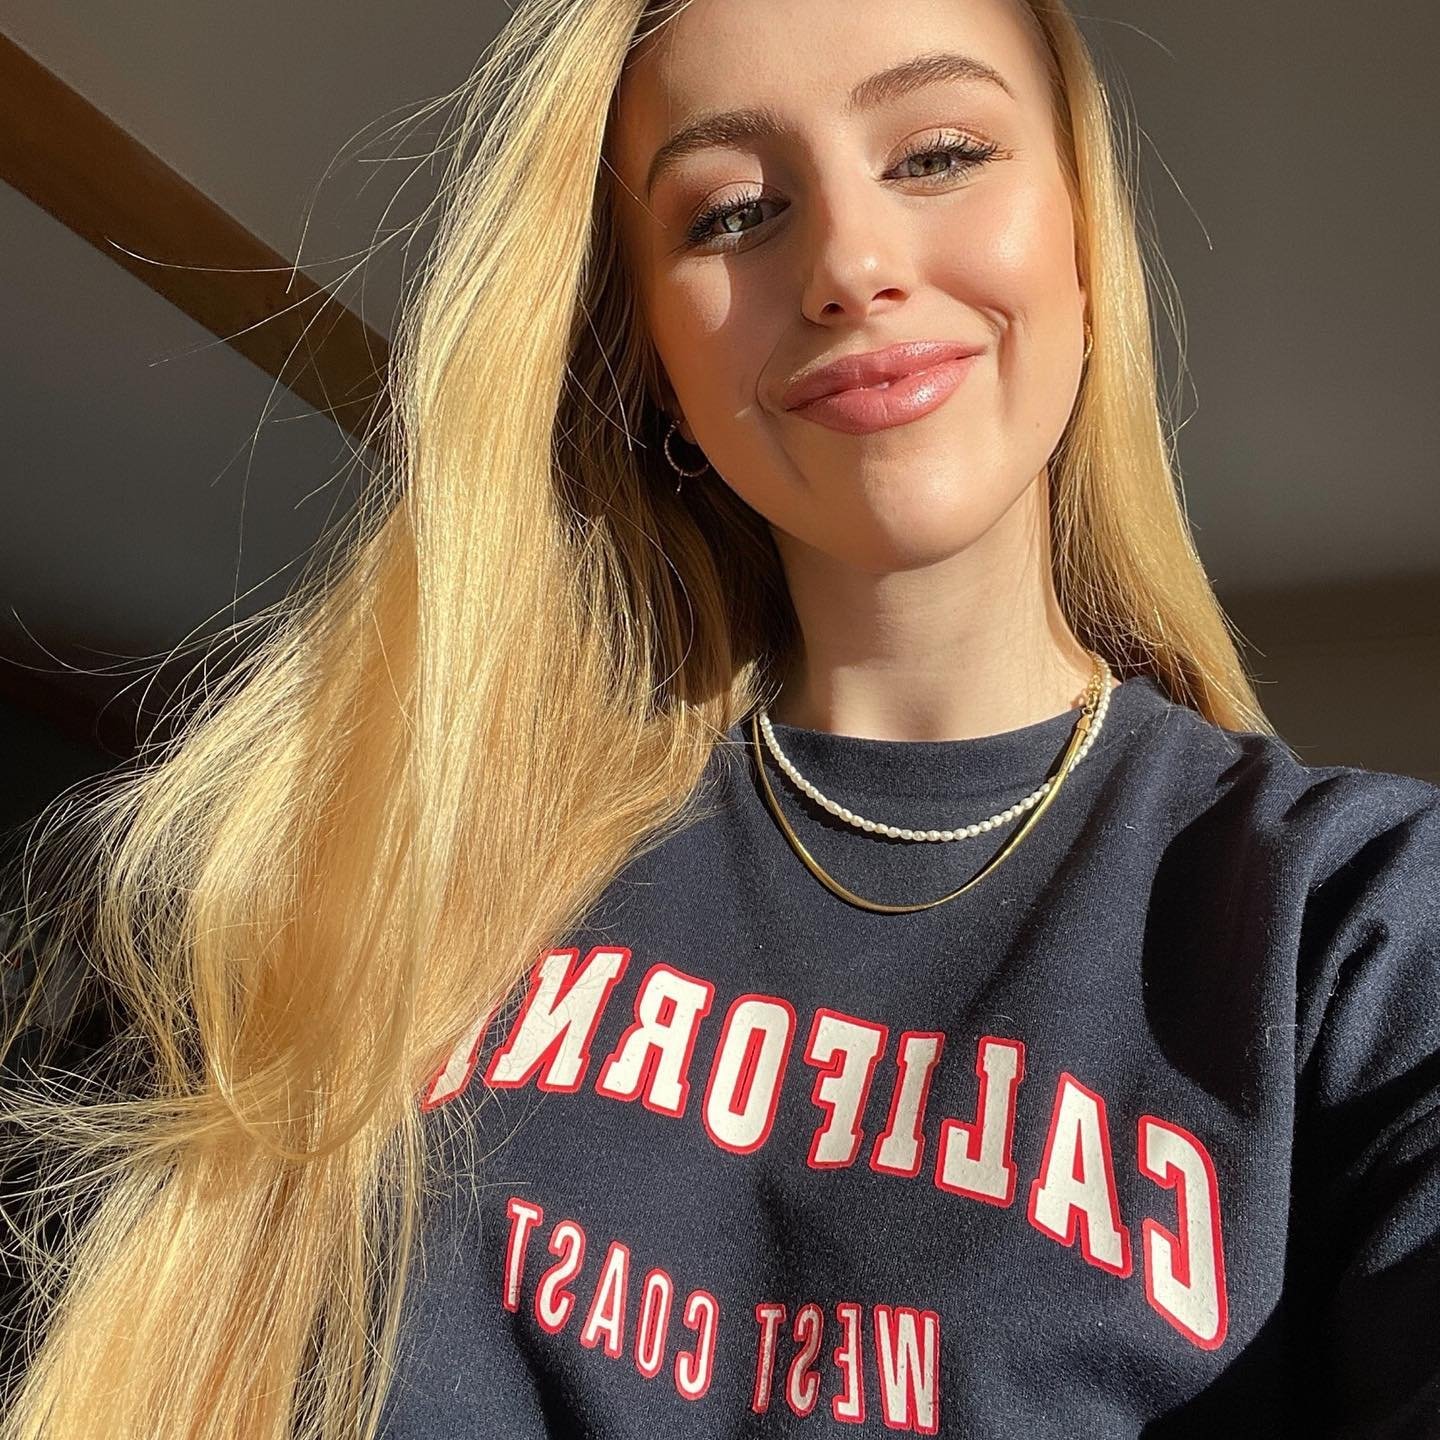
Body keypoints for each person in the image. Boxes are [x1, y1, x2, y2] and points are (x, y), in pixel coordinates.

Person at [1, 0, 1436, 1436]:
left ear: (1081, 237)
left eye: (938, 153)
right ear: (652, 356)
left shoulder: (1352, 925)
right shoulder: (411, 868)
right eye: (733, 212)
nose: (850, 266)